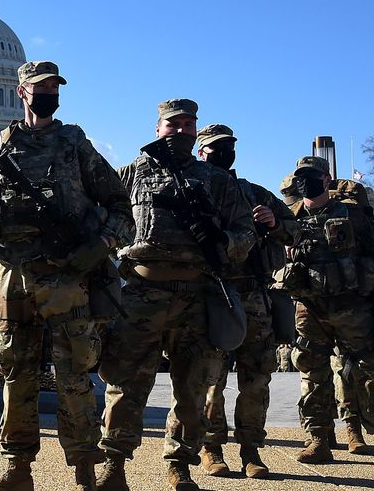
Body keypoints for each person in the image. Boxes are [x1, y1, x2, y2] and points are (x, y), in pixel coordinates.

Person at [0, 61, 131, 491]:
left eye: (54, 86)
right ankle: (18, 469)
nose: (48, 92)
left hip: (66, 277)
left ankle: (85, 470)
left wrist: (101, 246)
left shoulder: (74, 144)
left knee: (74, 375)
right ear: (22, 92)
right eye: (39, 86)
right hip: (11, 275)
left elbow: (120, 206)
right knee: (15, 372)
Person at [97, 100, 255, 491]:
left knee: (193, 387)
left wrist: (225, 240)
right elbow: (106, 220)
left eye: (189, 124)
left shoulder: (217, 181)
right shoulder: (129, 174)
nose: (182, 131)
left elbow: (246, 232)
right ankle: (114, 465)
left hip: (197, 295)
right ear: (158, 128)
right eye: (174, 124)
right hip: (141, 292)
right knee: (125, 383)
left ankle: (180, 464)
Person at [282, 157, 374, 469]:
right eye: (301, 178)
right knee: (312, 376)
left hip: (354, 307)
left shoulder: (355, 216)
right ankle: (318, 439)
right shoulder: (287, 220)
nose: (306, 183)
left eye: (313, 177)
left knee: (369, 375)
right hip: (309, 310)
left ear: (327, 180)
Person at [194, 124, 297, 480]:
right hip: (214, 295)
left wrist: (274, 223)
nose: (223, 153)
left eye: (228, 147)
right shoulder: (193, 191)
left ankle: (251, 449)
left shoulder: (254, 193)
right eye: (214, 148)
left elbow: (295, 228)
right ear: (200, 152)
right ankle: (211, 447)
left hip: (254, 295)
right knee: (213, 379)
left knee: (257, 378)